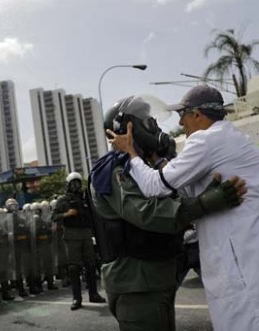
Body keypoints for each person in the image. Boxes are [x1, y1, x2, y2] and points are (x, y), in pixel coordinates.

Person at [108, 86, 259, 331]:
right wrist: (161, 161)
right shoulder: (230, 138)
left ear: (197, 114)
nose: (181, 122)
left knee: (256, 318)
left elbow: (155, 186)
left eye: (183, 114)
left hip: (245, 249)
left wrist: (130, 153)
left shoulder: (205, 140)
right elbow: (184, 186)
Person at [90, 95, 247, 331]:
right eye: (147, 121)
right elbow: (148, 214)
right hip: (135, 285)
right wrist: (206, 203)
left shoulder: (143, 167)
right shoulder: (115, 170)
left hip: (156, 278)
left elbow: (173, 191)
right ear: (124, 127)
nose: (153, 125)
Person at [52, 173, 106, 310]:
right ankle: (77, 298)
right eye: (73, 183)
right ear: (68, 184)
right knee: (74, 267)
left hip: (86, 234)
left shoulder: (85, 199)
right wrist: (66, 214)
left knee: (91, 264)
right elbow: (54, 216)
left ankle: (93, 294)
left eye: (78, 182)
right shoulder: (63, 200)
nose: (76, 185)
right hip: (72, 234)